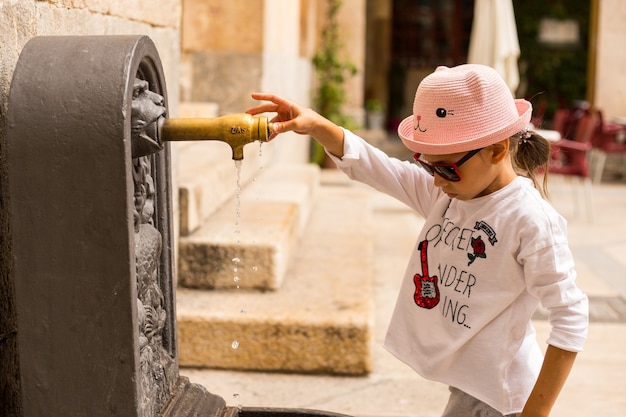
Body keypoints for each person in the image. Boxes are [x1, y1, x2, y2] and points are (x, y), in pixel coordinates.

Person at [246, 64, 588, 417]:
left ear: (497, 151)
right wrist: (318, 125)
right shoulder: (450, 195)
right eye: (427, 166)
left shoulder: (529, 219)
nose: (436, 180)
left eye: (445, 168)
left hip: (503, 399)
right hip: (471, 390)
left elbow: (571, 315)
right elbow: (377, 167)